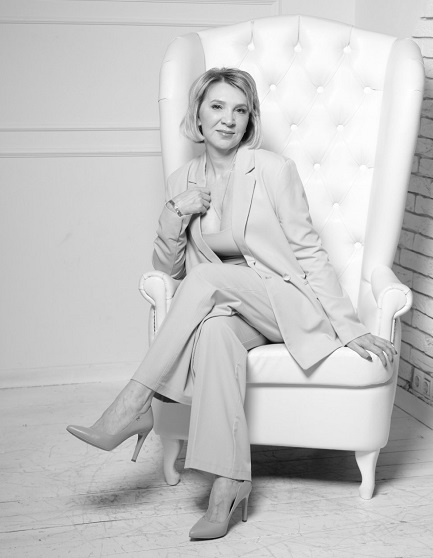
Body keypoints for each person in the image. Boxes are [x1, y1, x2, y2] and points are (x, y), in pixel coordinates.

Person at [67, 68, 396, 540]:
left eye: (240, 110)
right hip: (227, 309)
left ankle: (134, 403)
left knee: (205, 280)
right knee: (214, 333)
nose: (229, 119)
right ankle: (229, 484)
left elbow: (309, 252)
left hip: (280, 302)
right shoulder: (183, 179)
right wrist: (175, 211)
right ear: (198, 115)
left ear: (250, 119)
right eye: (218, 107)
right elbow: (168, 266)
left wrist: (350, 326)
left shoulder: (272, 170)